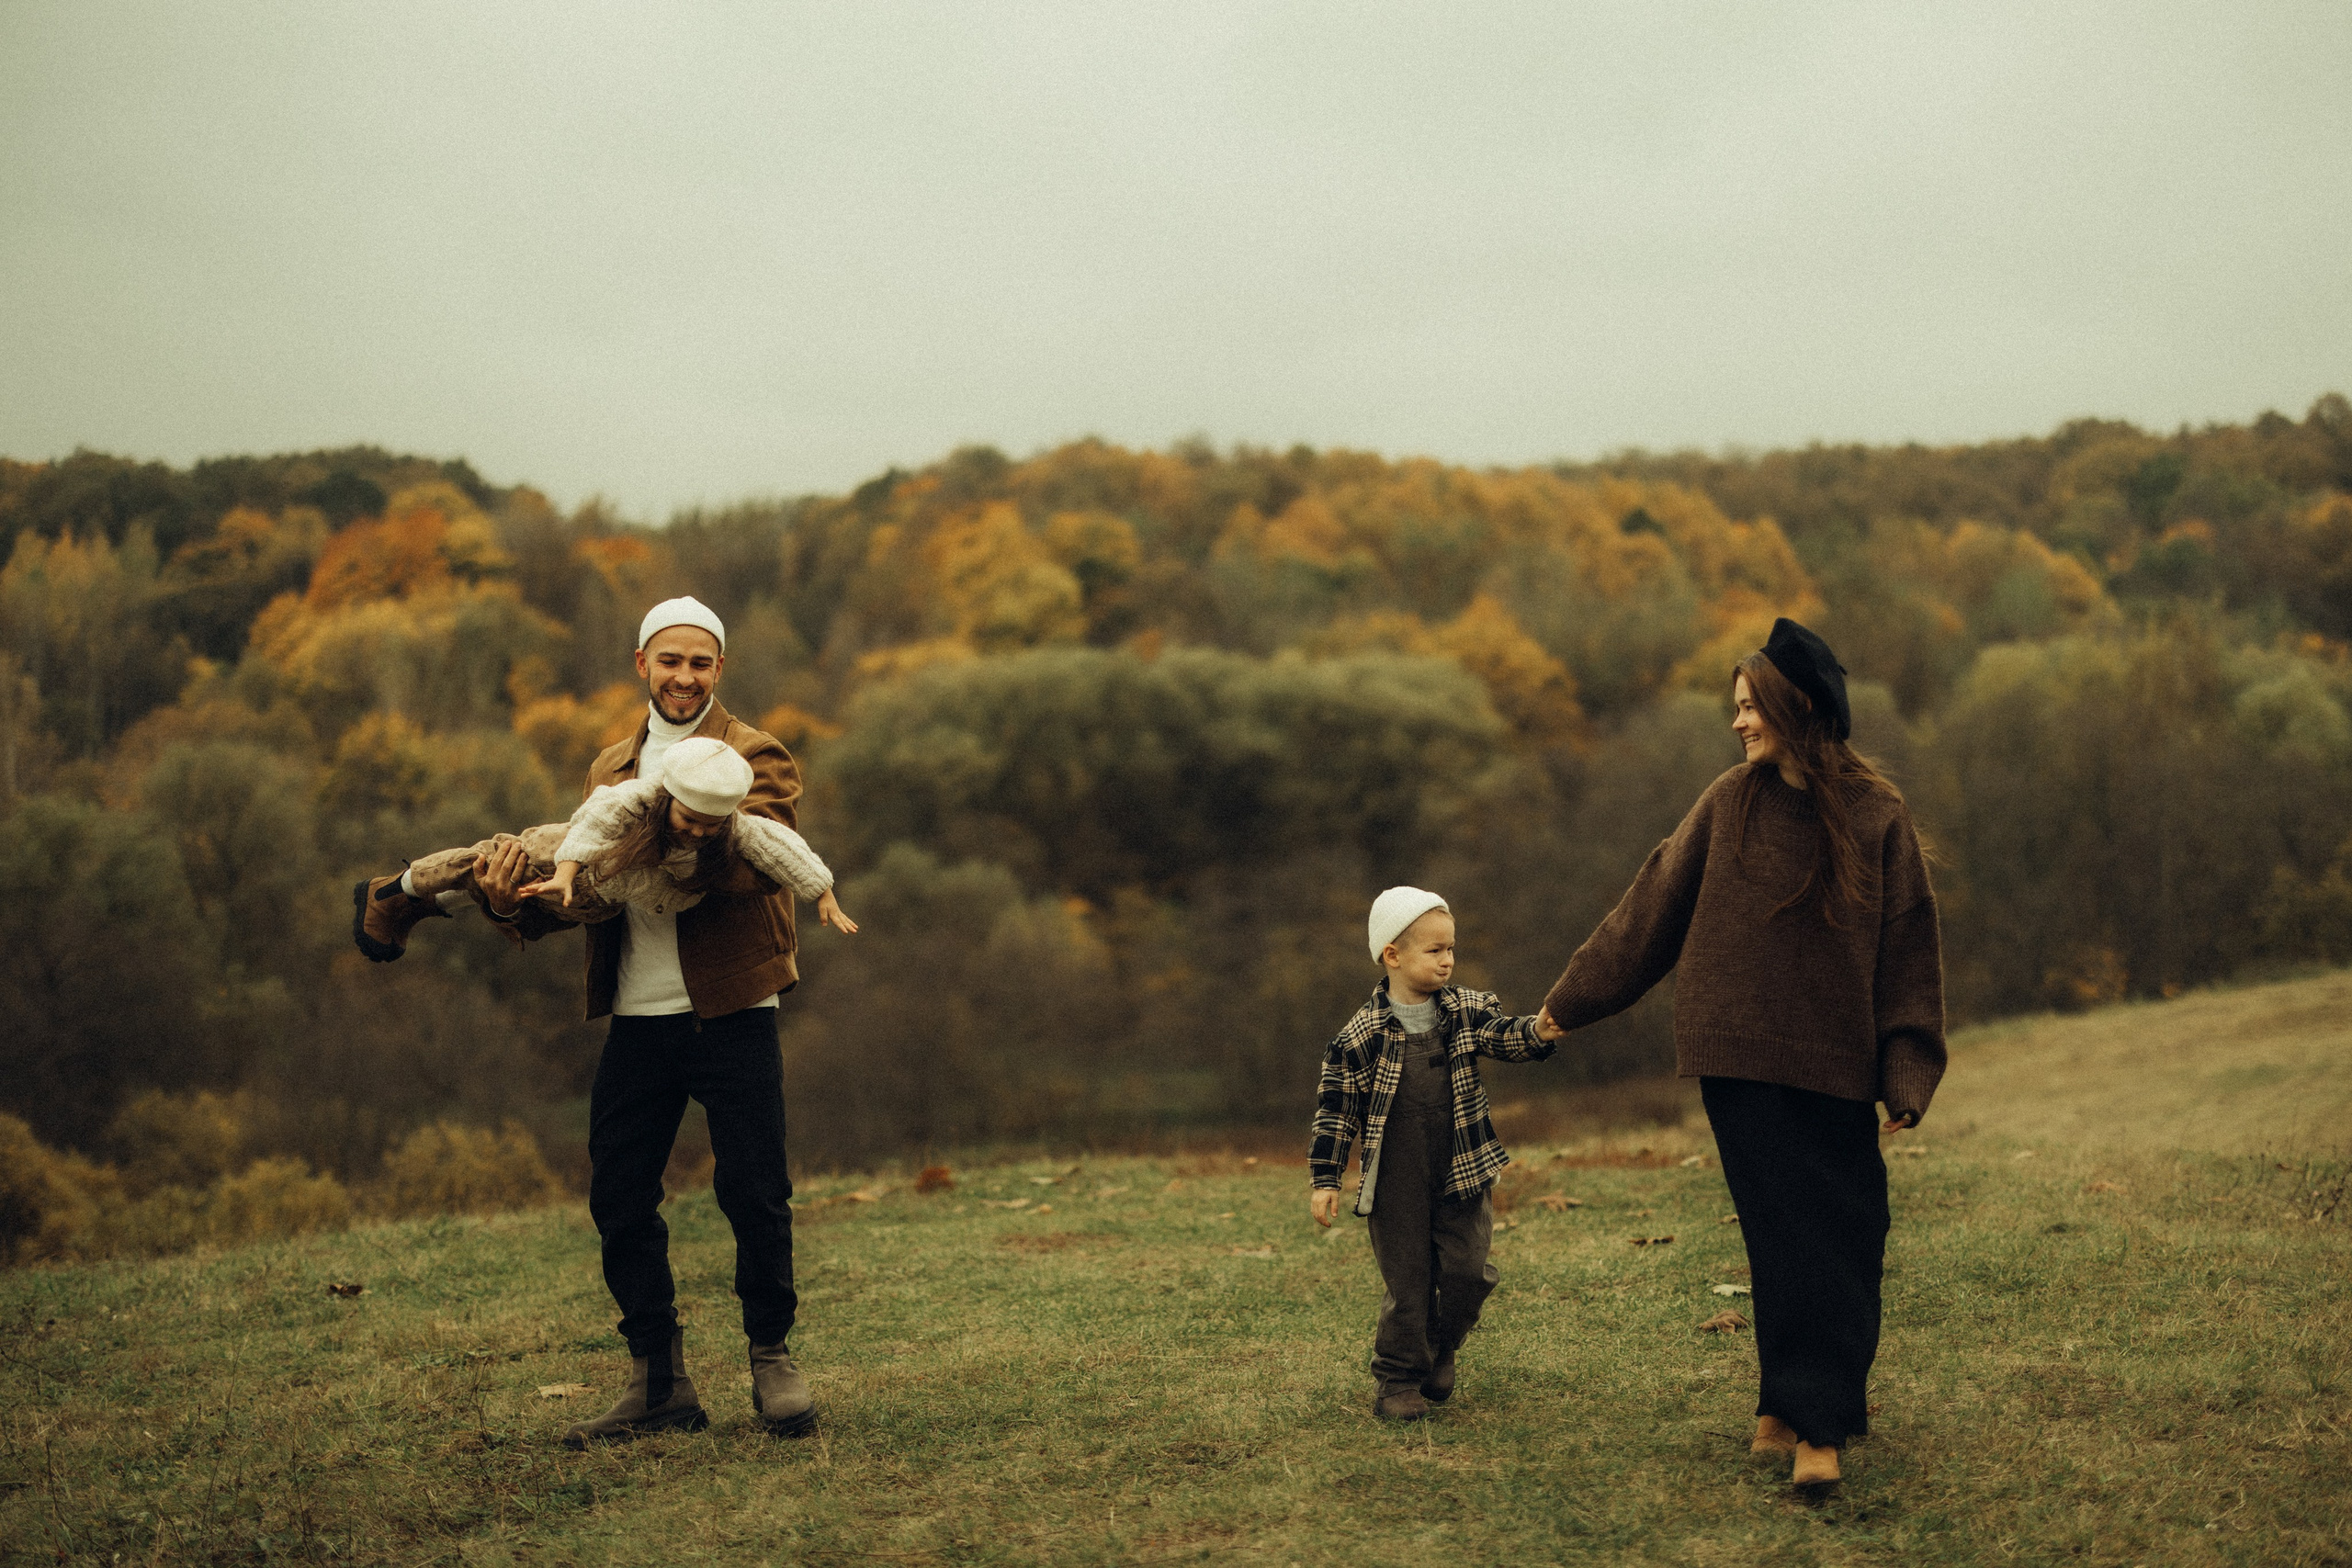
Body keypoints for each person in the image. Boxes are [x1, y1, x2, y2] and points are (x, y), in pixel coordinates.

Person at [364, 595, 835, 1446]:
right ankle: (660, 1381)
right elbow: (593, 895)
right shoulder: (609, 768)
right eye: (669, 660)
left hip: (732, 1009)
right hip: (638, 1014)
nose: (684, 675)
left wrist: (639, 833)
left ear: (718, 669)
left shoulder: (753, 756)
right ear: (642, 665)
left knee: (755, 1192)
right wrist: (518, 900)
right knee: (619, 1195)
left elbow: (751, 867)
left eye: (700, 662)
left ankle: (773, 1359)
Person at [1539, 617, 1944, 1487]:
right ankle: (1818, 1431)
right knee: (1785, 1230)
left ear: (1794, 708)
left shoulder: (1879, 816)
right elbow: (1652, 907)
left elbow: (1908, 949)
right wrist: (1571, 1003)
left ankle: (1787, 1397)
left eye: (1749, 706)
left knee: (1846, 1227)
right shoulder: (1729, 803)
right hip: (1736, 1055)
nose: (1738, 723)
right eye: (1735, 708)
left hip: (1834, 1061)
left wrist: (1907, 1067)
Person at [1307, 887, 1566, 1421]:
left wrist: (1537, 1030)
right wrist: (1326, 1178)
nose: (1448, 959)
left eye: (1451, 949)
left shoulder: (1468, 1010)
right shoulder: (1358, 1037)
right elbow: (1336, 1113)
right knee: (1409, 1282)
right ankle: (1398, 1380)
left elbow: (1505, 1037)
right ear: (1392, 955)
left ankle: (1442, 1347)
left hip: (1461, 1165)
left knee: (1469, 1272)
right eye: (1434, 951)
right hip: (1396, 1175)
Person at [351, 735, 856, 950]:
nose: (699, 832)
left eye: (711, 826)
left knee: (498, 889)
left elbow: (779, 844)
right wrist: (567, 871)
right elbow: (595, 821)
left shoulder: (738, 799)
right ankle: (397, 890)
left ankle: (424, 902)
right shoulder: (637, 794)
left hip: (602, 901)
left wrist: (822, 890)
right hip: (568, 855)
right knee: (483, 863)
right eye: (690, 819)